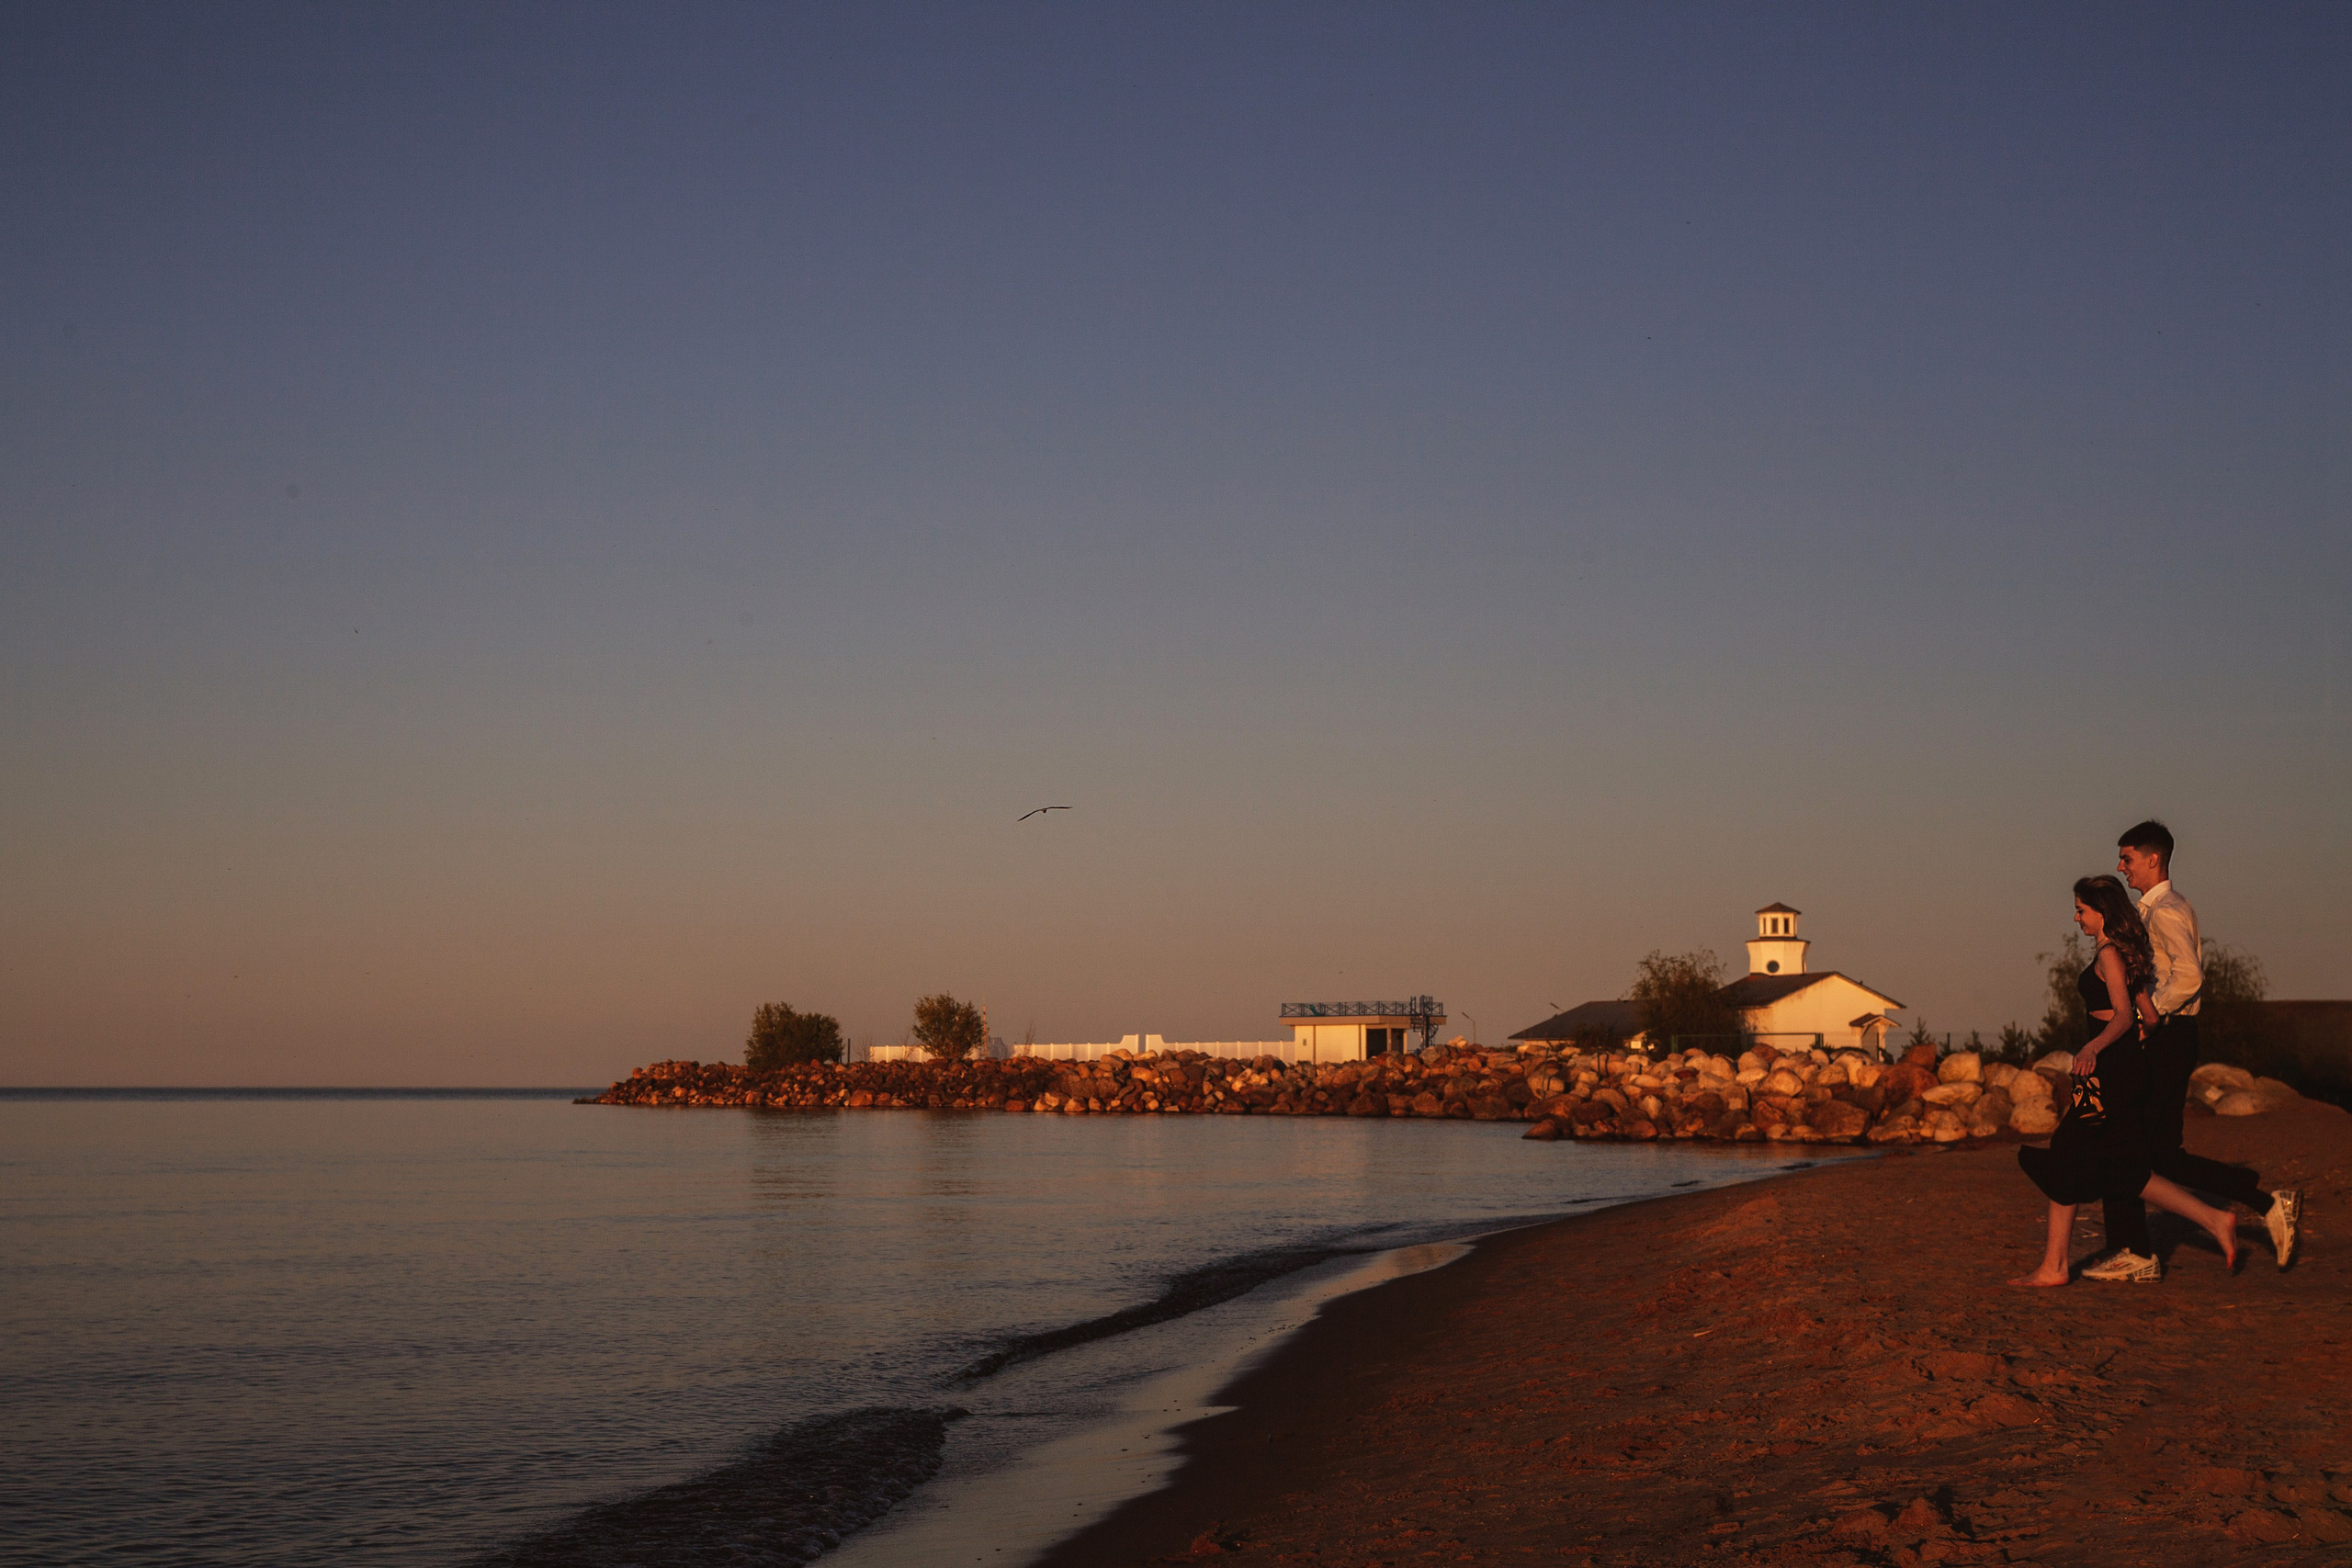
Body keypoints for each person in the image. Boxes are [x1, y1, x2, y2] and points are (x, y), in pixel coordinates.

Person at [2084, 820, 2301, 1281]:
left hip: (2169, 1036)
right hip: (2164, 1036)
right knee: (2148, 1150)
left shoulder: (2166, 911)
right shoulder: (2153, 910)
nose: (2121, 867)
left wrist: (2147, 1014)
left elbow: (2189, 976)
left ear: (2153, 859)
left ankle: (2138, 1251)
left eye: (2127, 858)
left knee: (2137, 1147)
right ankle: (2256, 1204)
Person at [2012, 876, 2240, 1287]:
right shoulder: (2124, 954)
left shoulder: (2109, 954)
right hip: (2122, 1068)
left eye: (2081, 910)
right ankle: (2213, 1219)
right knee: (2124, 1169)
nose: (2076, 918)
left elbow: (2121, 1015)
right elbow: (2148, 1017)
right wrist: (2133, 1047)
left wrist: (2093, 1048)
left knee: (2071, 1153)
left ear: (2101, 912)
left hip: (2111, 1071)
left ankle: (2055, 1267)